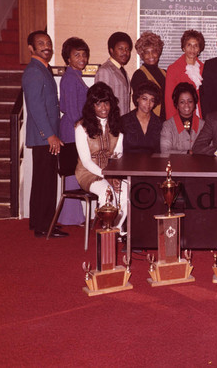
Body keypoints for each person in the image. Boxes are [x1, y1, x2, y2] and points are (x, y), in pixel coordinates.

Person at [22, 30, 68, 238]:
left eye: (48, 43)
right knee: (45, 181)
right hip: (44, 137)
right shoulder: (34, 71)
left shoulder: (42, 69)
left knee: (43, 180)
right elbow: (36, 107)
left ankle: (39, 222)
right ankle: (43, 226)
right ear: (31, 48)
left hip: (46, 136)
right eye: (40, 43)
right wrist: (49, 135)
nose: (46, 46)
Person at [75, 82, 126, 234]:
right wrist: (107, 176)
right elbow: (86, 161)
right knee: (107, 191)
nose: (103, 108)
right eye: (98, 104)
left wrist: (116, 176)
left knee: (126, 190)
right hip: (87, 173)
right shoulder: (81, 127)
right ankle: (107, 233)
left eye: (106, 103)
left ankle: (120, 231)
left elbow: (118, 155)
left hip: (111, 171)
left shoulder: (117, 125)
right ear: (92, 106)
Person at [58, 37, 90, 226]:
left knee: (76, 172)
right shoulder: (70, 77)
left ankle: (75, 216)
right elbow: (71, 110)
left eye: (84, 55)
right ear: (67, 58)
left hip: (76, 128)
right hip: (72, 129)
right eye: (76, 55)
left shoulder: (75, 75)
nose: (81, 58)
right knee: (72, 172)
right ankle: (70, 217)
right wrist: (83, 129)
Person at [165, 29, 205, 120]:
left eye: (196, 46)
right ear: (183, 47)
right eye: (189, 45)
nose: (192, 49)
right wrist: (173, 124)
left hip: (201, 117)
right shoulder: (173, 69)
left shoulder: (204, 68)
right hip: (182, 116)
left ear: (199, 49)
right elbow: (169, 100)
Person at [131, 31, 167, 122]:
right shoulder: (139, 75)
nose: (151, 56)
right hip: (149, 122)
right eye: (147, 52)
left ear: (158, 52)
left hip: (166, 121)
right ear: (142, 55)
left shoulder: (165, 73)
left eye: (154, 51)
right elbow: (140, 103)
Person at [94, 32, 133, 116]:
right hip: (112, 123)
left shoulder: (122, 70)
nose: (125, 52)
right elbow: (101, 103)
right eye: (121, 48)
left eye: (127, 49)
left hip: (123, 122)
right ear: (111, 50)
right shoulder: (105, 70)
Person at [161, 82, 205, 154]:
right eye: (182, 102)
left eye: (190, 101)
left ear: (195, 103)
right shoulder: (168, 125)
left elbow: (209, 149)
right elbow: (165, 151)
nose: (186, 105)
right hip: (175, 164)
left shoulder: (204, 125)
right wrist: (187, 153)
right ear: (177, 104)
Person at [121, 80, 163, 154]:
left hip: (154, 164)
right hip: (129, 163)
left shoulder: (160, 123)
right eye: (144, 99)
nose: (148, 103)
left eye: (152, 100)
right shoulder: (124, 121)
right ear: (137, 99)